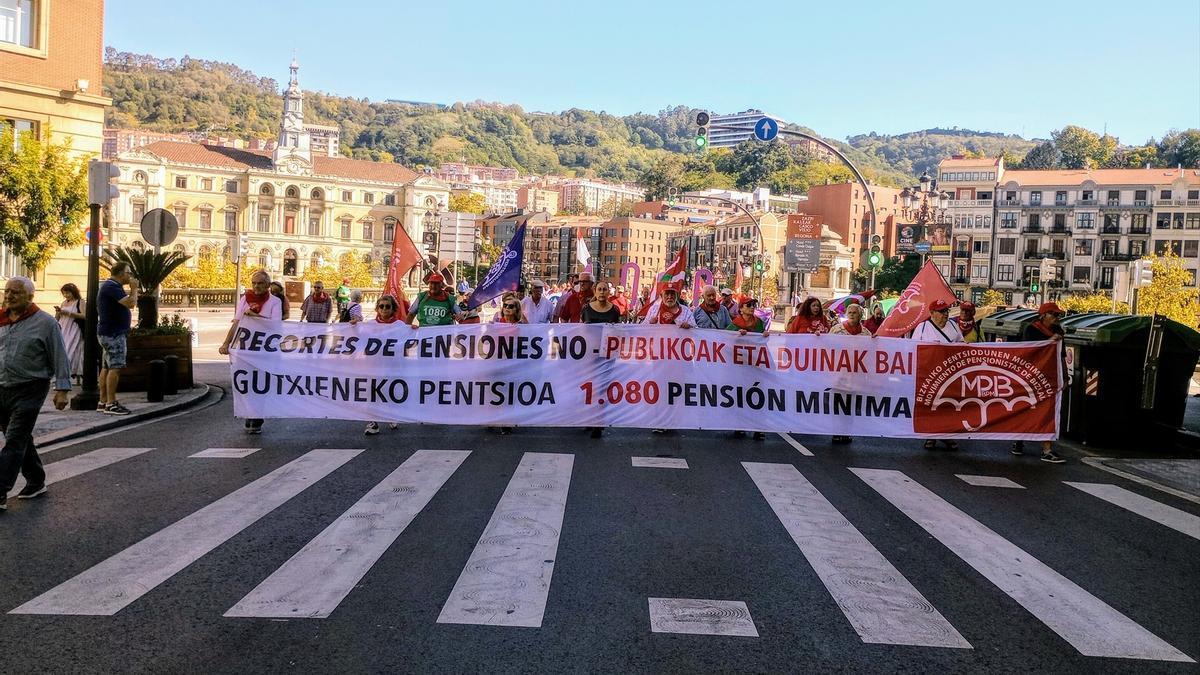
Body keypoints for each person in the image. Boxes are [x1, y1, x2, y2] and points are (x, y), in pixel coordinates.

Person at [0, 277, 71, 510]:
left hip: (31, 386)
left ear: (30, 297)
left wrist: (62, 389)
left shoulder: (45, 323)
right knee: (19, 437)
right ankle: (36, 480)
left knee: (15, 437)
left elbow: (59, 356)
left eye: (15, 293)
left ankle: (0, 490)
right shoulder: (0, 319)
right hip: (2, 387)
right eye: (7, 291)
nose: (9, 296)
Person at [219, 270, 283, 434]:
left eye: (260, 283)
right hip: (245, 349)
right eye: (254, 283)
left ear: (268, 285)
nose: (256, 286)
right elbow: (237, 323)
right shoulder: (244, 300)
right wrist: (226, 343)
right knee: (246, 383)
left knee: (260, 384)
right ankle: (249, 413)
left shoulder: (275, 302)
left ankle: (257, 416)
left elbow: (275, 325)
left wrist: (254, 316)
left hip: (264, 351)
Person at [1011, 302, 1067, 464]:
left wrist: (1064, 376)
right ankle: (1019, 440)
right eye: (1054, 315)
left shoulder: (1058, 331)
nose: (1057, 318)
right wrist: (1050, 341)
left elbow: (1061, 355)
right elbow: (1030, 350)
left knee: (1048, 410)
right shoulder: (1032, 329)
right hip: (1031, 377)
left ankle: (1047, 449)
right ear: (1043, 315)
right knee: (1027, 408)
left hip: (1049, 377)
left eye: (1058, 315)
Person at [909, 298, 963, 451]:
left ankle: (947, 435)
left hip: (951, 374)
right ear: (932, 313)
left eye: (946, 310)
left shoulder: (953, 325)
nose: (945, 314)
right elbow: (913, 349)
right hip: (930, 374)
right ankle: (931, 436)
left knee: (949, 405)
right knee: (931, 406)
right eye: (941, 311)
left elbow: (962, 343)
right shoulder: (923, 327)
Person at [97, 261, 138, 415]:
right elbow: (130, 303)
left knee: (107, 367)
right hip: (114, 333)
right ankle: (111, 403)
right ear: (121, 273)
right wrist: (134, 289)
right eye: (128, 273)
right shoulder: (112, 287)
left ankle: (103, 401)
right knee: (116, 367)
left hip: (107, 332)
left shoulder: (110, 286)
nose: (130, 276)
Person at [582, 282, 622, 438]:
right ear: (595, 291)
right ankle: (588, 417)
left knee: (602, 387)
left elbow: (618, 330)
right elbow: (581, 329)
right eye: (599, 289)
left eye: (605, 289)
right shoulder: (586, 309)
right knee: (589, 387)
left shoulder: (614, 310)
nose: (602, 292)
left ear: (608, 292)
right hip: (589, 353)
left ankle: (598, 421)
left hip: (606, 354)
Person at [726, 297, 769, 441]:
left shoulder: (759, 323)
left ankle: (758, 428)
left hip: (756, 364)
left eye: (754, 305)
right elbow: (725, 340)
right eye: (749, 305)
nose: (752, 307)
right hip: (740, 366)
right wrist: (737, 335)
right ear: (741, 308)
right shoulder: (735, 324)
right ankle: (740, 425)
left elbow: (763, 341)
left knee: (757, 395)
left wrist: (765, 336)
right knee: (741, 395)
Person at [829, 304, 873, 444]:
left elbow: (870, 355)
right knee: (837, 403)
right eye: (850, 312)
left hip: (856, 376)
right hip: (839, 374)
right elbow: (825, 347)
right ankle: (836, 431)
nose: (852, 315)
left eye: (855, 312)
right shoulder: (837, 330)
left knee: (851, 405)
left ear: (860, 315)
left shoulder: (866, 334)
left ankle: (847, 431)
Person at [364, 294, 404, 436]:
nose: (384, 309)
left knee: (389, 391)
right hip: (373, 366)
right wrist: (352, 325)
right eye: (381, 306)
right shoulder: (369, 325)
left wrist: (415, 330)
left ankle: (390, 415)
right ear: (377, 308)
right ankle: (373, 422)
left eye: (388, 306)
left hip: (392, 366)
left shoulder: (399, 326)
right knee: (372, 394)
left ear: (393, 309)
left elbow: (410, 341)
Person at [54, 283, 85, 383]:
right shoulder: (64, 303)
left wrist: (69, 313)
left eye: (68, 293)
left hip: (74, 327)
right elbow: (58, 317)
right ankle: (64, 375)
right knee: (63, 350)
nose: (66, 295)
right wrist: (58, 312)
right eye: (64, 293)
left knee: (72, 350)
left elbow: (84, 315)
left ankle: (71, 375)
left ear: (73, 292)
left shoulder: (80, 302)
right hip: (64, 327)